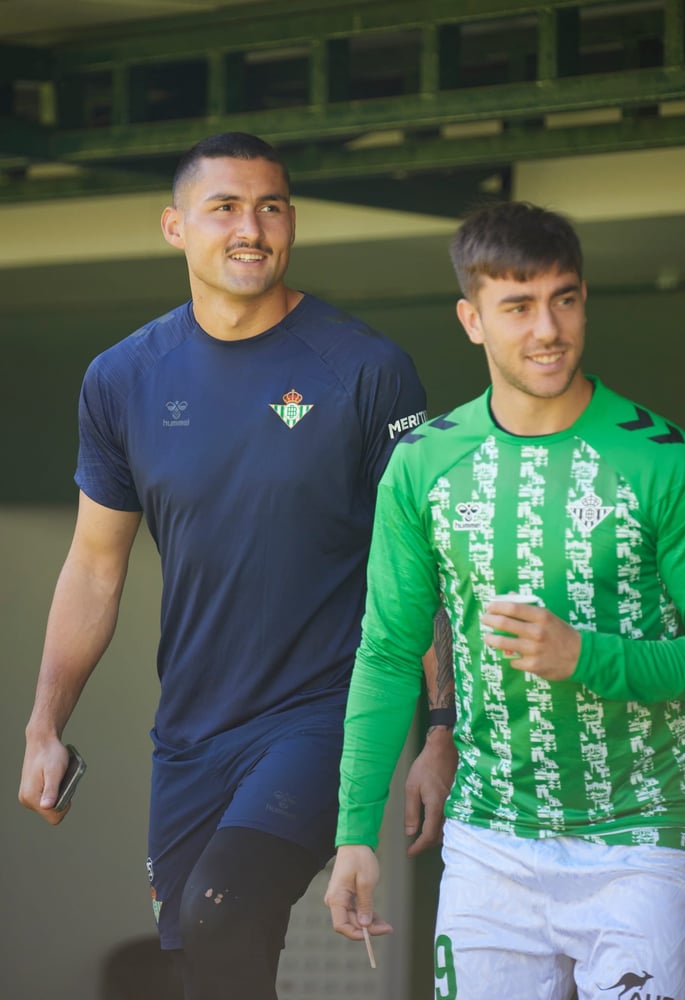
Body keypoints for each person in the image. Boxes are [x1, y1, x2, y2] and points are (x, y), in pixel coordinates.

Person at [18, 131, 456, 1000]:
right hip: (190, 731)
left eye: (271, 207)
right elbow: (95, 567)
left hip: (324, 713)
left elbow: (421, 566)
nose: (251, 228)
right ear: (175, 227)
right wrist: (44, 725)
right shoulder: (122, 378)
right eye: (224, 208)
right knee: (205, 964)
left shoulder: (366, 369)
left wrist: (441, 728)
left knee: (222, 910)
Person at [325, 201, 685, 999]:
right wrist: (356, 832)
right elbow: (387, 652)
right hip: (488, 841)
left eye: (564, 299)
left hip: (640, 840)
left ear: (585, 300)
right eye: (518, 306)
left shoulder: (665, 459)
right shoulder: (422, 464)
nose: (548, 329)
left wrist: (585, 656)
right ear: (472, 320)